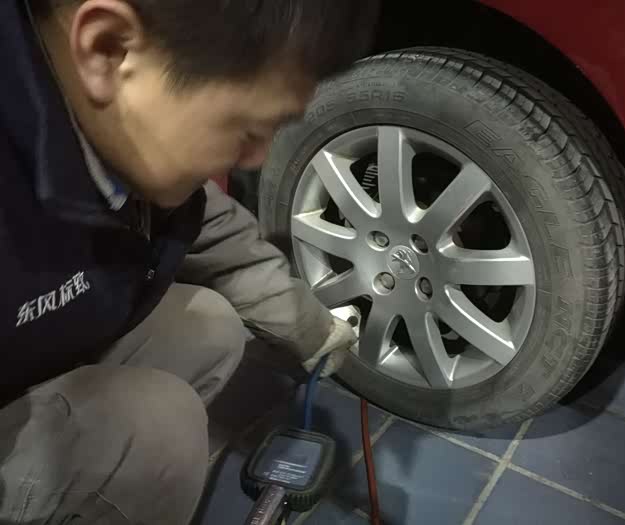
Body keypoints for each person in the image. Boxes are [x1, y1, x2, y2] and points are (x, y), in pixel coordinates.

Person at [0, 0, 380, 523]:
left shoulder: (92, 120)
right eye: (247, 129)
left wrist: (312, 331)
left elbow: (213, 228)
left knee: (208, 325)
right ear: (109, 49)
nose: (257, 160)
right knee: (157, 430)